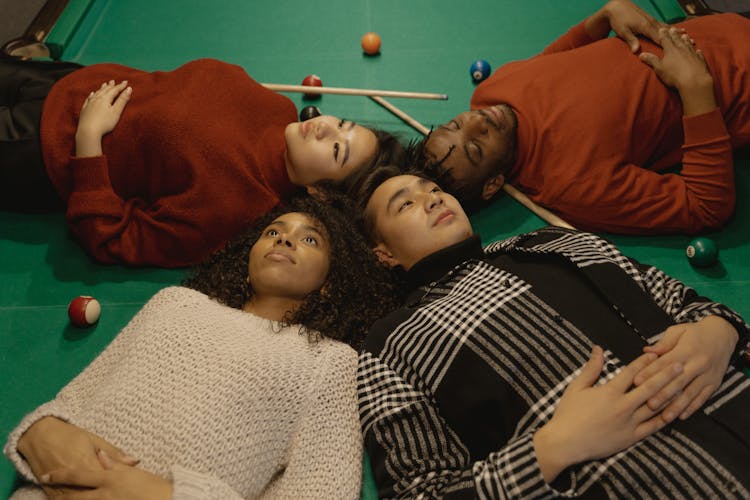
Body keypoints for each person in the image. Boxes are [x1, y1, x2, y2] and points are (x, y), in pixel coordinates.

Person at [354, 166, 750, 498]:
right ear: (383, 253)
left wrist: (721, 330)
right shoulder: (389, 344)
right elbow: (418, 491)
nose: (434, 199)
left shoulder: (552, 240)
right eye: (405, 204)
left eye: (435, 189)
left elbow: (680, 300)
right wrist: (553, 447)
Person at [3, 196, 401, 499]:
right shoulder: (174, 304)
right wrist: (39, 433)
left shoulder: (330, 361)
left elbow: (321, 491)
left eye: (309, 239)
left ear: (333, 280)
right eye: (274, 231)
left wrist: (163, 494)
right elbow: (74, 402)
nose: (284, 238)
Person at [0, 57, 405, 267]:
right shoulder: (275, 106)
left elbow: (111, 239)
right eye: (344, 123)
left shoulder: (235, 210)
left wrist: (88, 139)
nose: (325, 127)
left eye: (337, 150)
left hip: (39, 149)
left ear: (318, 191)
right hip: (67, 82)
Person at [410, 0, 750, 234]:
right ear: (495, 183)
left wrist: (602, 18)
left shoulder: (489, 94)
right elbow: (705, 207)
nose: (476, 122)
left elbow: (553, 64)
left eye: (456, 123)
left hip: (724, 24)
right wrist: (696, 90)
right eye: (476, 149)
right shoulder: (573, 185)